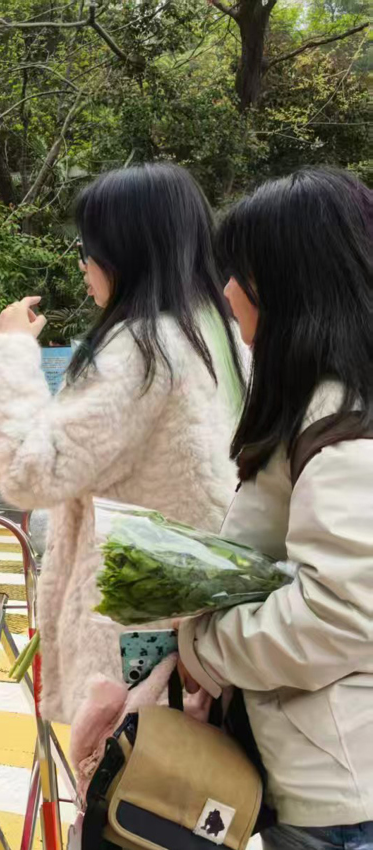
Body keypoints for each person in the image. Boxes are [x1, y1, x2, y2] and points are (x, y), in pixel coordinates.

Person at [0, 162, 246, 723]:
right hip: (197, 626)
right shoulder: (222, 335)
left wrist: (7, 352)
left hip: (137, 645)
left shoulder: (142, 348)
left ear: (125, 253)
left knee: (128, 775)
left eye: (88, 249)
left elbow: (30, 469)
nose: (83, 265)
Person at [178, 168, 373, 850]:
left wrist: (207, 648)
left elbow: (342, 612)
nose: (227, 291)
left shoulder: (340, 421)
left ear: (293, 282)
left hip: (342, 791)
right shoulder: (327, 402)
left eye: (241, 272)